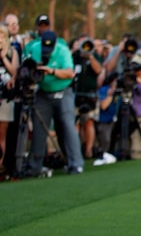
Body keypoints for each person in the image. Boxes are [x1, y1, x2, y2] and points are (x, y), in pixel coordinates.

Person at [23, 26, 83, 176]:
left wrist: (52, 71)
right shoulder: (35, 48)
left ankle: (75, 163)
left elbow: (70, 73)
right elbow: (26, 67)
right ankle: (35, 166)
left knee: (68, 125)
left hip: (63, 91)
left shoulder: (63, 51)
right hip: (43, 92)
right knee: (38, 127)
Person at [0, 24, 20, 175]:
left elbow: (15, 71)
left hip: (6, 98)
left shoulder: (12, 51)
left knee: (2, 133)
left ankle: (1, 165)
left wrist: (2, 57)